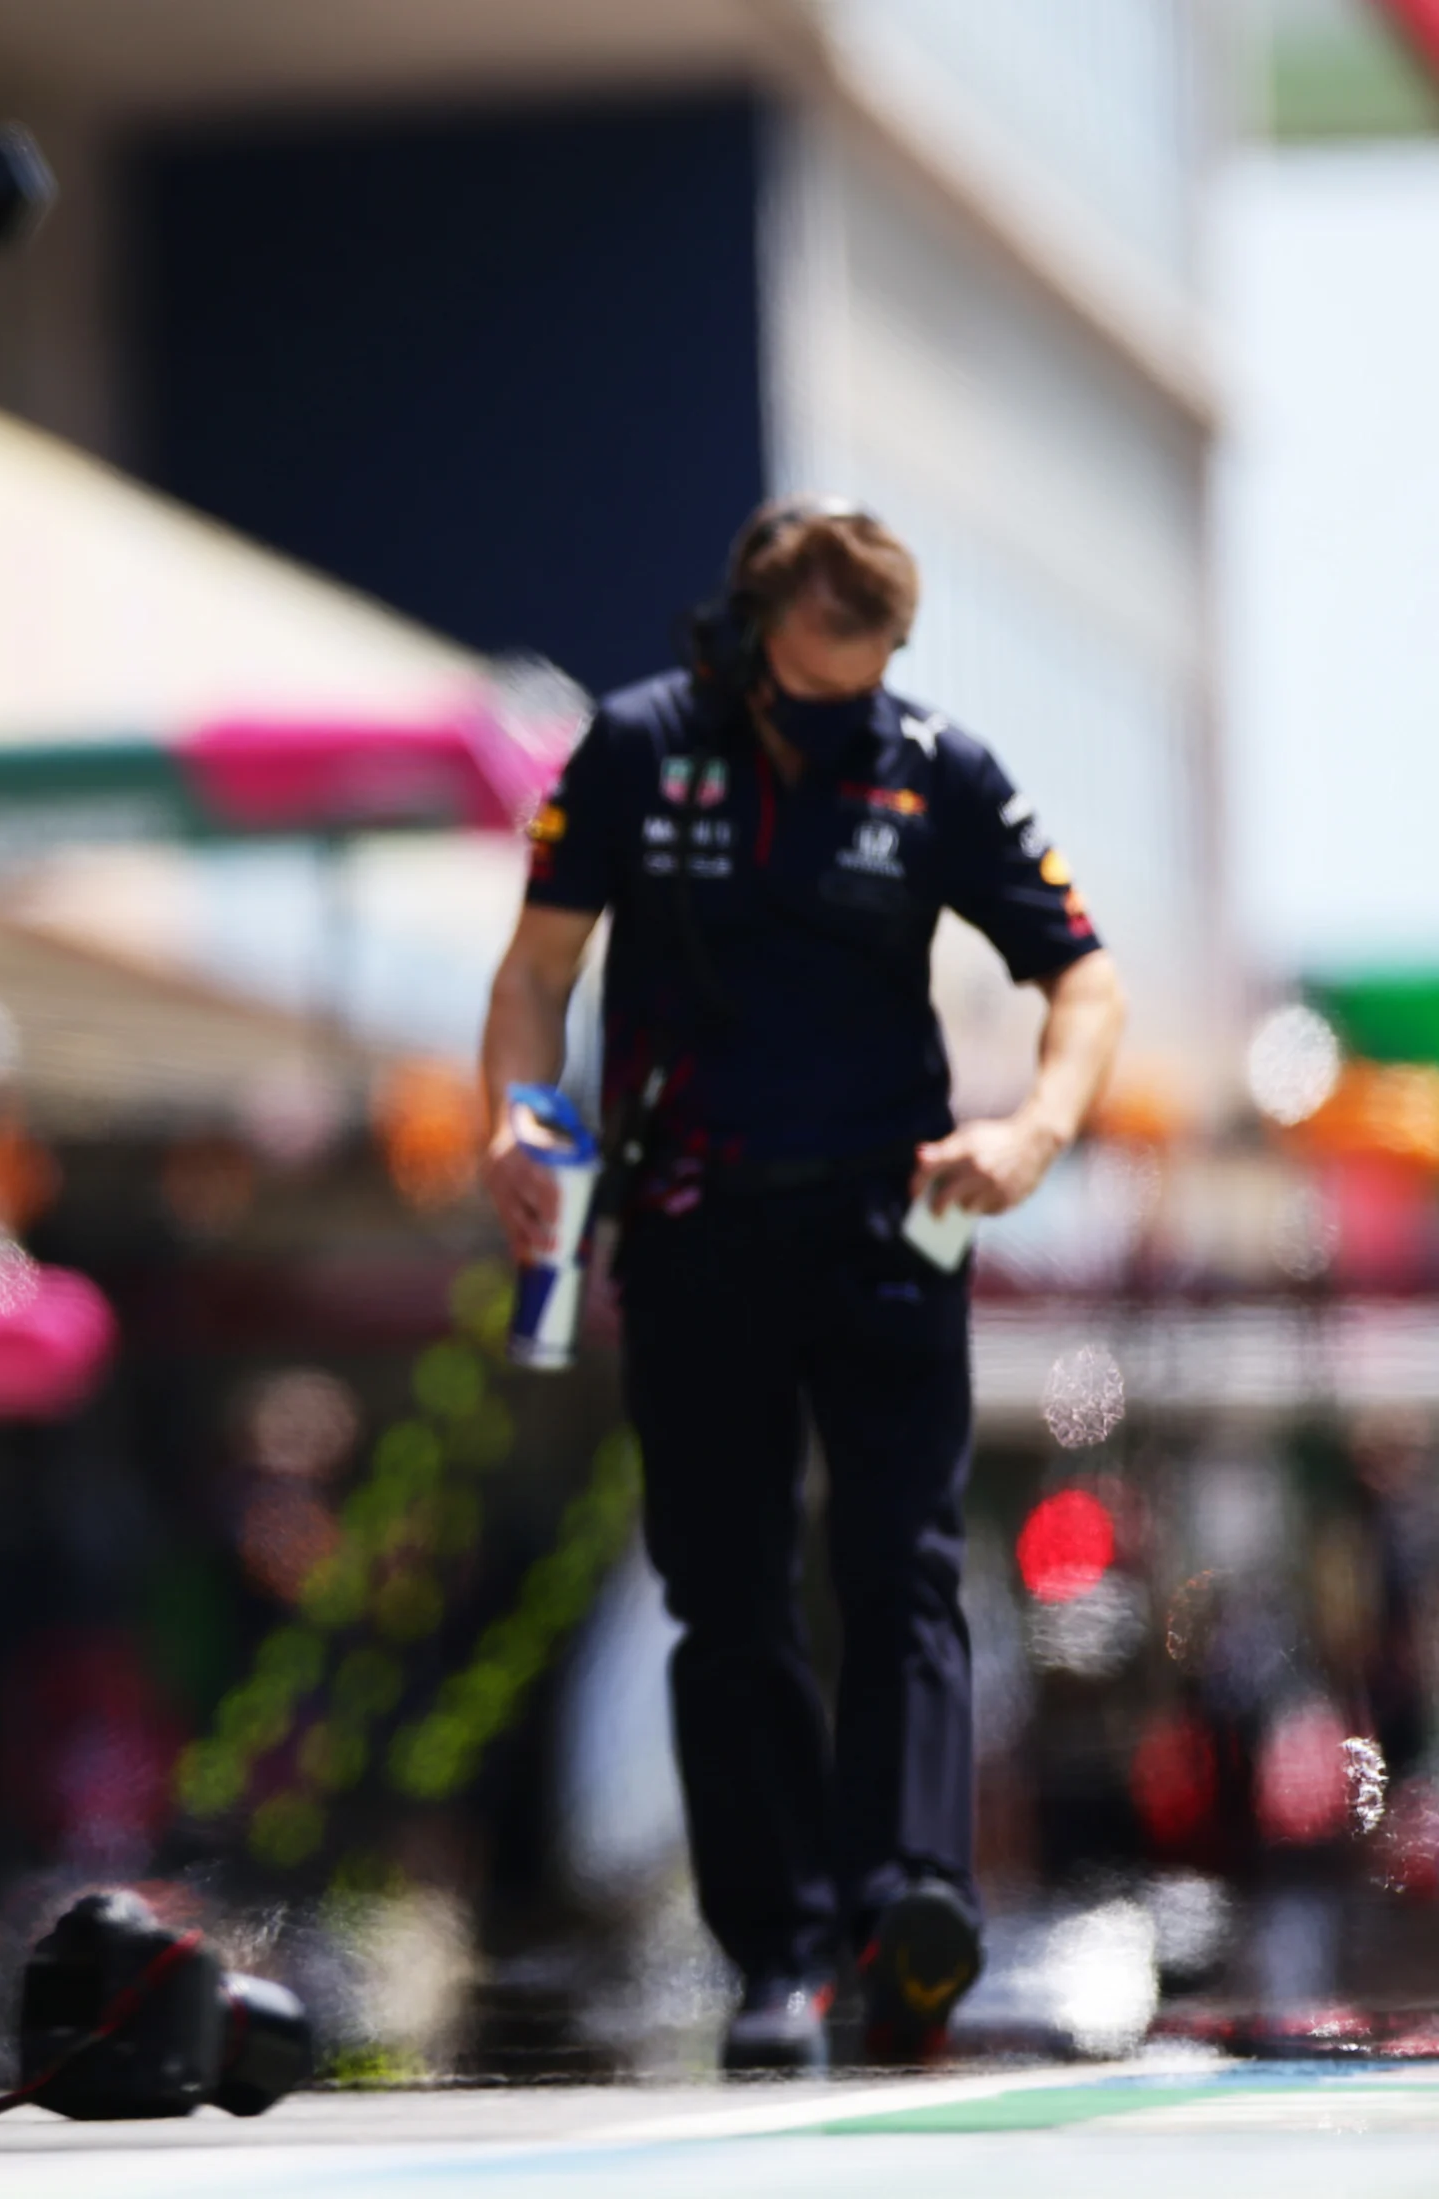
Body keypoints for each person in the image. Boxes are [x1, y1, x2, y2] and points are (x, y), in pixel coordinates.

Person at [476, 499, 1125, 2071]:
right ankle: (775, 1945)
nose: (851, 698)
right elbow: (536, 973)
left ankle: (913, 1906)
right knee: (725, 1587)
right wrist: (514, 1108)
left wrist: (1033, 1129)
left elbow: (1082, 976)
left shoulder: (937, 766)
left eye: (880, 664)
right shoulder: (634, 749)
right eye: (825, 666)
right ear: (756, 635)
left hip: (894, 1223)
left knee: (903, 1561)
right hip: (692, 1223)